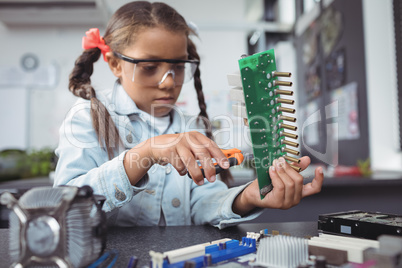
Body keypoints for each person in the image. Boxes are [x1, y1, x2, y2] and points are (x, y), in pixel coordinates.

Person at [54, 1, 324, 229]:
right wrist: (147, 152)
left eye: (179, 67)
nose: (169, 82)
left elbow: (202, 201)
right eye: (149, 67)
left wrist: (247, 198)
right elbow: (65, 210)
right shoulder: (86, 119)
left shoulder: (190, 126)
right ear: (114, 64)